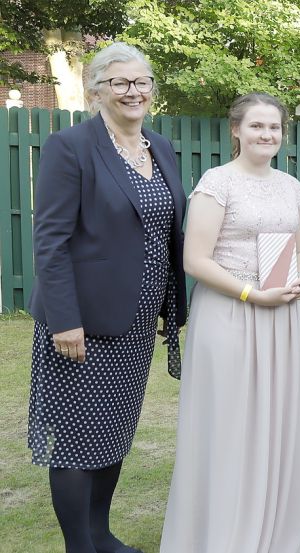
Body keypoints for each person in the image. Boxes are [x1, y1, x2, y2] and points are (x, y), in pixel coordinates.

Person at [27, 42, 186, 553]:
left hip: (137, 325)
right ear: (97, 90)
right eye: (120, 82)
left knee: (112, 436)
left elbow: (165, 233)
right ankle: (80, 545)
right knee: (76, 441)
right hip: (82, 326)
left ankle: (101, 534)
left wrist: (172, 306)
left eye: (141, 82)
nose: (132, 91)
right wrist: (64, 320)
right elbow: (49, 240)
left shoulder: (159, 148)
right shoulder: (70, 146)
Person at [157, 93, 300, 552]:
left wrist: (299, 277)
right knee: (227, 425)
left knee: (275, 423)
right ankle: (219, 535)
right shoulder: (217, 182)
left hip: (281, 315)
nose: (267, 135)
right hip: (229, 313)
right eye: (258, 126)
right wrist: (251, 293)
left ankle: (270, 530)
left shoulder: (292, 186)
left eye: (275, 128)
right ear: (237, 131)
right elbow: (193, 259)